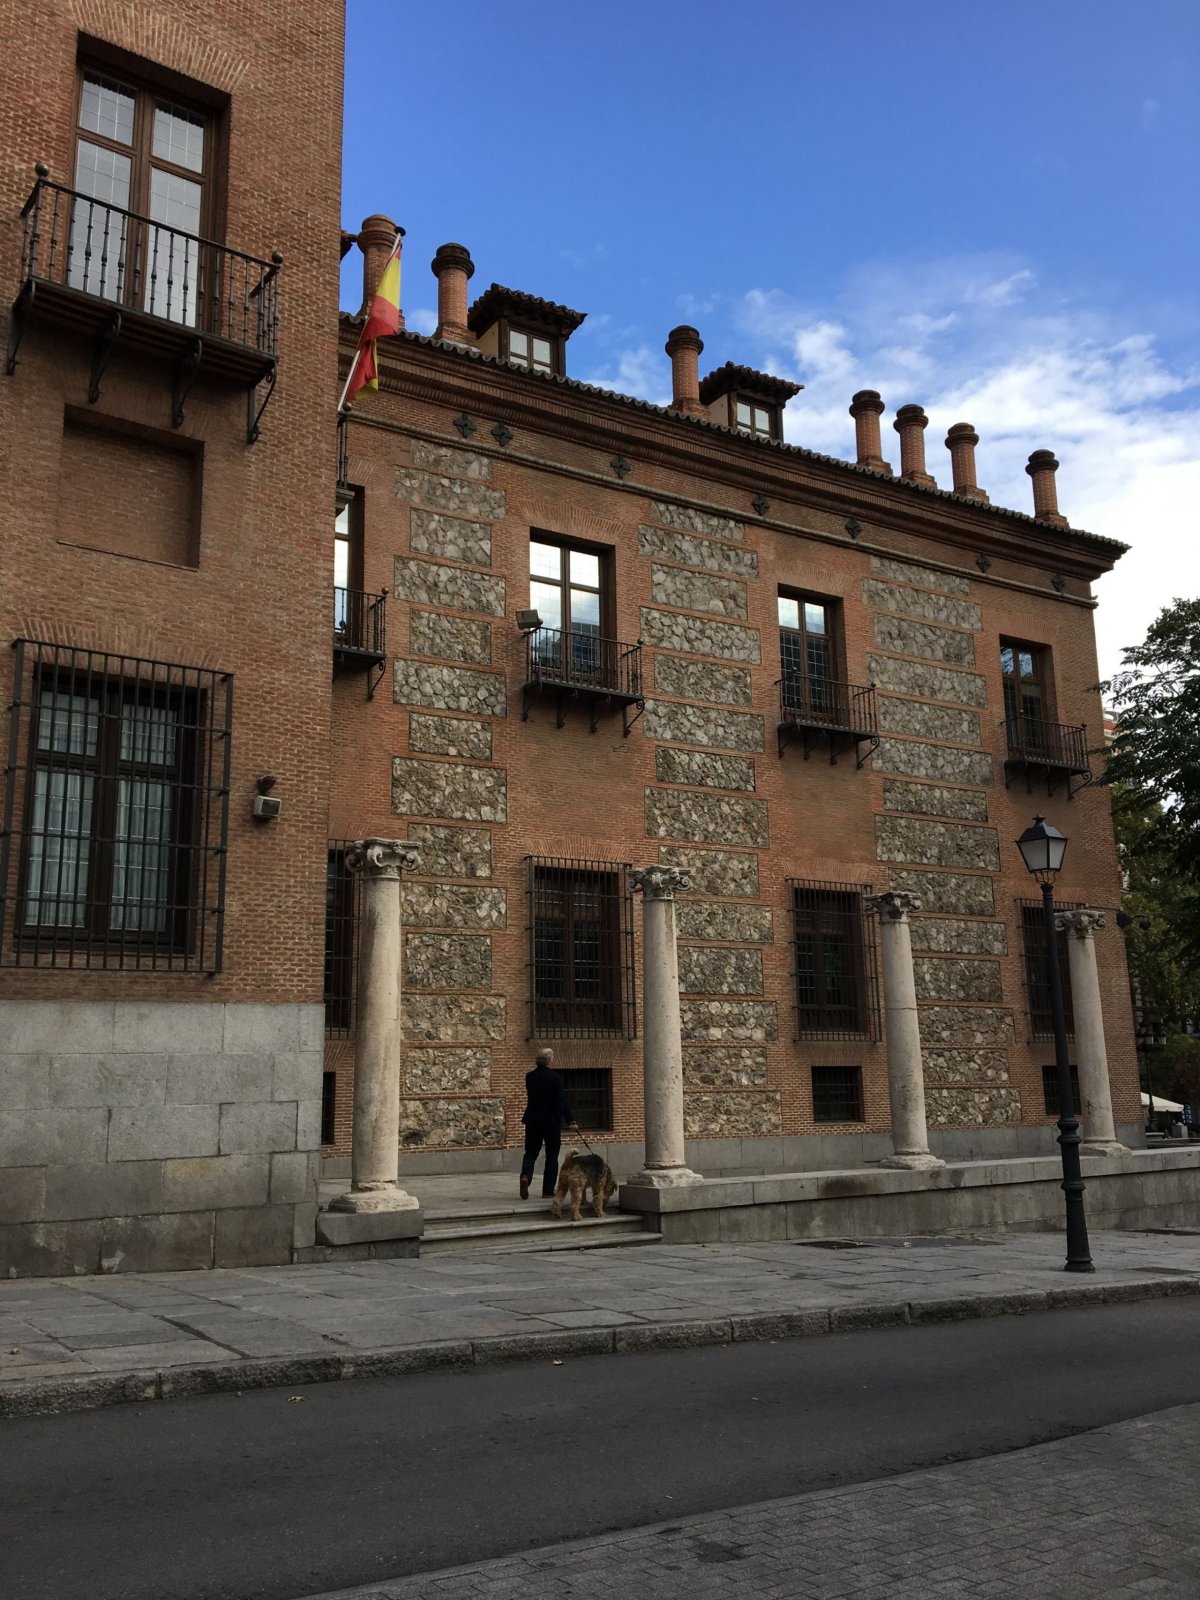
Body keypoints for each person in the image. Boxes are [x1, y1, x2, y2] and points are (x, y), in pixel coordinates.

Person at [519, 1047, 577, 1200]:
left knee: (530, 1153)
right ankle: (547, 1190)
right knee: (552, 1156)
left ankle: (525, 1176)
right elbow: (562, 1101)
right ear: (550, 1061)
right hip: (551, 1122)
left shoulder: (529, 1077)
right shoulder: (555, 1078)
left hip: (533, 1120)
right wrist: (571, 1119)